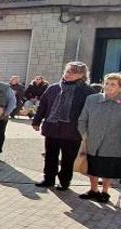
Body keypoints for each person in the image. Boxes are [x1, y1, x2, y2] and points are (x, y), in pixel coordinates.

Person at [33, 61, 96, 190]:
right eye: (67, 71)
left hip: (73, 132)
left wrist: (88, 131)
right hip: (52, 128)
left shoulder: (88, 91)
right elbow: (43, 105)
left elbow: (91, 113)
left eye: (73, 72)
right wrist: (36, 121)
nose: (68, 74)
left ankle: (64, 181)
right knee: (50, 156)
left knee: (68, 158)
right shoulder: (53, 88)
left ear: (82, 75)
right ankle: (48, 179)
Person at [77, 73, 121, 203]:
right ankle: (93, 190)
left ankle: (105, 192)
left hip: (114, 143)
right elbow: (82, 119)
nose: (108, 86)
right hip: (93, 140)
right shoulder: (92, 99)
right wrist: (85, 136)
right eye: (107, 83)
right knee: (93, 166)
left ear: (119, 87)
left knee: (109, 167)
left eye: (113, 84)